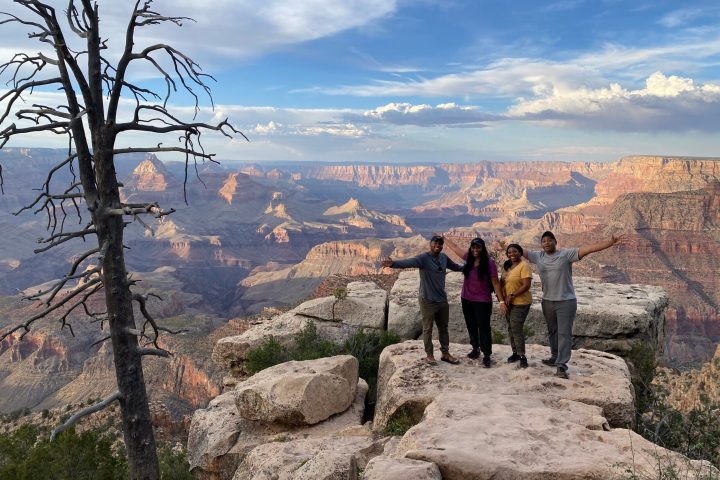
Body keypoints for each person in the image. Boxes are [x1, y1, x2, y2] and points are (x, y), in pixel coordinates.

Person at [524, 230, 622, 379]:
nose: (547, 243)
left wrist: (610, 242)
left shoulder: (566, 255)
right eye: (544, 241)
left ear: (555, 242)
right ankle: (554, 356)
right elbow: (520, 251)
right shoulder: (538, 256)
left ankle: (561, 366)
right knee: (552, 331)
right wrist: (504, 246)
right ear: (541, 244)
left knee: (564, 333)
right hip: (547, 301)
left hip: (566, 301)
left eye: (550, 240)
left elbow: (588, 249)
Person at [382, 235, 463, 365]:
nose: (438, 245)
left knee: (444, 328)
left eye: (440, 244)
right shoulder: (423, 258)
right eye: (435, 243)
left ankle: (445, 353)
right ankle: (430, 355)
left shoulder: (443, 258)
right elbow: (408, 262)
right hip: (427, 300)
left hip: (442, 299)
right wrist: (393, 264)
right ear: (430, 244)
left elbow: (455, 267)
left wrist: (470, 267)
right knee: (428, 329)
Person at [444, 236, 506, 368]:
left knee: (484, 328)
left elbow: (495, 283)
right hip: (466, 299)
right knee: (471, 325)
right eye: (473, 247)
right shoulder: (469, 259)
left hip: (482, 301)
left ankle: (487, 354)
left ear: (482, 248)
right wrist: (444, 239)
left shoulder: (489, 263)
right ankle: (475, 348)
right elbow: (455, 249)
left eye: (478, 247)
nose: (475, 250)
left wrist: (501, 302)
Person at [500, 243, 533, 369]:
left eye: (515, 251)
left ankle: (522, 356)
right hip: (509, 303)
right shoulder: (507, 266)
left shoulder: (524, 265)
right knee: (510, 328)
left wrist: (512, 295)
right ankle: (515, 353)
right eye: (509, 252)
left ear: (520, 253)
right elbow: (502, 283)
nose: (512, 254)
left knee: (516, 328)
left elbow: (526, 285)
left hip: (521, 302)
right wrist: (502, 300)